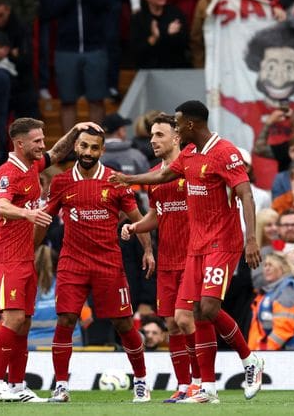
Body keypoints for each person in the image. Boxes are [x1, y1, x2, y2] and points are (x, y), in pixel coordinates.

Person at [109, 100, 264, 404]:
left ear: (190, 125)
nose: (177, 130)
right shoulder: (190, 157)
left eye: (178, 125)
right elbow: (164, 176)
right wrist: (130, 179)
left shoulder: (225, 152)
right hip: (197, 245)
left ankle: (249, 360)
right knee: (185, 315)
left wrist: (252, 240)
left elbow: (245, 194)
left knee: (207, 309)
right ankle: (205, 388)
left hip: (223, 242)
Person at [0, 118, 100, 403]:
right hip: (5, 257)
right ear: (19, 143)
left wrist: (75, 130)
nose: (42, 145)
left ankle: (17, 385)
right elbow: (2, 205)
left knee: (23, 322)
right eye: (37, 141)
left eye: (43, 139)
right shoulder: (7, 172)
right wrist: (27, 214)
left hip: (25, 257)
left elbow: (58, 153)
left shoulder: (32, 165)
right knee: (12, 318)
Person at [45, 126, 155, 403]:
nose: (88, 152)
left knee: (123, 323)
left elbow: (137, 218)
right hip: (72, 262)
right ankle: (60, 385)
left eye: (94, 148)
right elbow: (45, 219)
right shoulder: (60, 182)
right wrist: (31, 248)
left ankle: (141, 380)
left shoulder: (115, 181)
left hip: (108, 263)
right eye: (84, 146)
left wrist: (149, 251)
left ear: (102, 150)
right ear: (76, 147)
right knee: (66, 319)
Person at [120, 113, 201, 402]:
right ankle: (183, 385)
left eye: (159, 135)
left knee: (190, 320)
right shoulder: (155, 176)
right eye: (152, 135)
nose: (152, 140)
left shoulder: (192, 169)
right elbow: (157, 215)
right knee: (172, 324)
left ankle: (201, 382)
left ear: (176, 137)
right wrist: (135, 226)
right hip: (167, 261)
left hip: (193, 258)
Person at [46, 0, 111, 132]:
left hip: (95, 47)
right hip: (66, 49)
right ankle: (68, 147)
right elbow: (51, 9)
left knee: (96, 100)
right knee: (67, 101)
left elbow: (106, 4)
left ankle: (96, 141)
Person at [248, 253, 294, 350]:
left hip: (289, 354)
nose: (267, 268)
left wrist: (266, 351)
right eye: (265, 265)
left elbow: (283, 328)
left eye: (271, 265)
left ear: (282, 269)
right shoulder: (271, 291)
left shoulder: (288, 290)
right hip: (275, 352)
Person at [130, 0, 191, 69]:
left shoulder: (175, 13)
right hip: (150, 69)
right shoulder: (139, 19)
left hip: (175, 68)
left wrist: (159, 37)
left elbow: (184, 42)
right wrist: (155, 38)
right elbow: (137, 51)